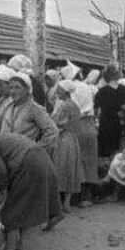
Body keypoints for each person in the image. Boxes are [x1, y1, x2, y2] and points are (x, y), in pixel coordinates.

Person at [0, 132, 63, 250]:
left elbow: (0, 171)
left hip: (28, 163)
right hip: (42, 159)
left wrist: (2, 187)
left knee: (14, 209)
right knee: (29, 208)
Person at [0, 72, 59, 151]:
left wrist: (35, 149)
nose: (13, 91)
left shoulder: (34, 108)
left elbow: (52, 131)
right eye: (11, 88)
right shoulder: (8, 106)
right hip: (3, 153)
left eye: (17, 87)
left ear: (27, 89)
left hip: (21, 156)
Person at [50, 81, 86, 213]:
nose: (56, 92)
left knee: (59, 168)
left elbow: (59, 123)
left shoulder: (66, 106)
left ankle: (60, 203)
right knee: (70, 169)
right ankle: (67, 202)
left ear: (64, 91)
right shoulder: (73, 105)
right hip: (72, 139)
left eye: (58, 90)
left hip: (64, 139)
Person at [68, 78, 99, 207]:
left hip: (77, 128)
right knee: (90, 163)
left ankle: (77, 197)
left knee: (78, 162)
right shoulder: (87, 91)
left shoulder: (71, 104)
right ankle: (88, 197)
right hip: (90, 128)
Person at [94, 65, 125, 159]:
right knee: (117, 147)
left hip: (105, 122)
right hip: (120, 122)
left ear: (105, 77)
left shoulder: (102, 91)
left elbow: (97, 109)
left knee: (104, 147)